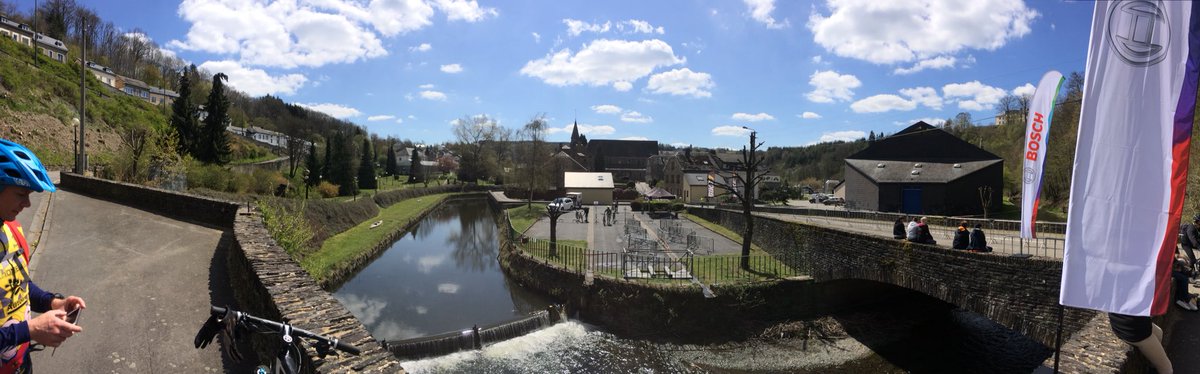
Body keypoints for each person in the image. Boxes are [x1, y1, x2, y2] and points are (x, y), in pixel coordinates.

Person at [0, 139, 86, 372]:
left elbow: (19, 285)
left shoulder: (11, 229)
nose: (27, 204)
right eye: (21, 193)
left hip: (20, 363)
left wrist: (53, 302)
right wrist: (30, 330)